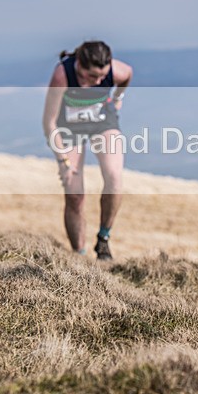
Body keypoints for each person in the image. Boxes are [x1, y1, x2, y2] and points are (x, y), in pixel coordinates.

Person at [42, 40, 132, 260]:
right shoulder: (62, 75)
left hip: (102, 122)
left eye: (102, 76)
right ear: (80, 65)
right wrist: (62, 160)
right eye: (92, 77)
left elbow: (127, 75)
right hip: (69, 128)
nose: (99, 81)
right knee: (74, 194)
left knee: (114, 180)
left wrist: (118, 98)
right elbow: (49, 122)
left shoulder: (117, 70)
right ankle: (79, 255)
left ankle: (103, 239)